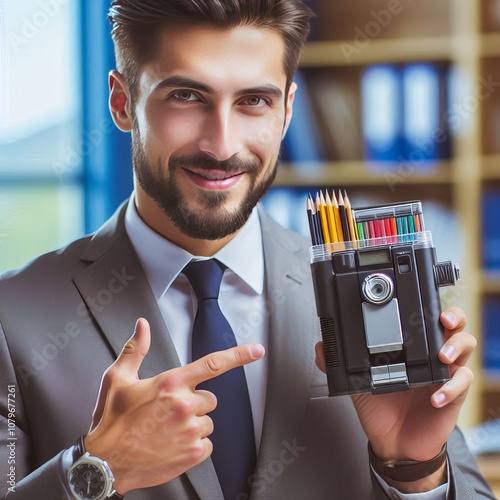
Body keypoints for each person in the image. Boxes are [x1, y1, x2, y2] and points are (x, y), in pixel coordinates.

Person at [0, 1, 495, 499]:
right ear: (123, 102)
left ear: (286, 112)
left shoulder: (373, 298)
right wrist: (94, 472)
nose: (221, 145)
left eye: (254, 101)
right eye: (188, 96)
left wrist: (413, 469)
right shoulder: (12, 319)